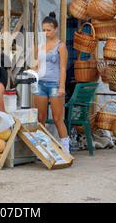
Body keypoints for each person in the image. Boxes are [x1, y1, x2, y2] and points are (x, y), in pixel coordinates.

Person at [33, 12, 73, 157]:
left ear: (56, 29)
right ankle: (41, 150)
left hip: (55, 85)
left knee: (57, 119)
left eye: (48, 30)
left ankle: (66, 150)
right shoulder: (40, 46)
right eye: (43, 30)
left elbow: (63, 68)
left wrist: (62, 87)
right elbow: (37, 65)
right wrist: (32, 70)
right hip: (40, 85)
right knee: (40, 118)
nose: (46, 32)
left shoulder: (61, 46)